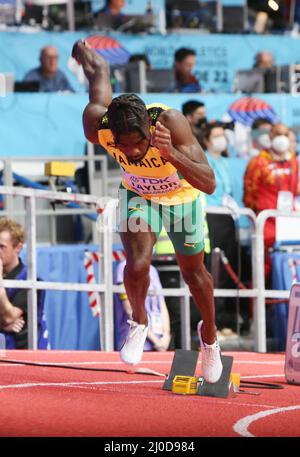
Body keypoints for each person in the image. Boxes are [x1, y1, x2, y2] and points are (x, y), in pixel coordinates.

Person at [72, 39, 223, 383]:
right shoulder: (99, 124)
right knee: (138, 264)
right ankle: (139, 321)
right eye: (122, 145)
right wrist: (89, 59)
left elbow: (209, 183)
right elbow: (99, 79)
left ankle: (210, 337)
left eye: (137, 143)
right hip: (138, 192)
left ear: (148, 130)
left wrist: (173, 156)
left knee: (193, 274)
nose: (131, 150)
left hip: (180, 195)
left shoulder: (170, 123)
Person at [244, 122, 299, 278]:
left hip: (289, 221)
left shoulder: (293, 161)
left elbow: (293, 189)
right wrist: (259, 214)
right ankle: (265, 302)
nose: (281, 138)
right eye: (277, 134)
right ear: (270, 137)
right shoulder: (258, 162)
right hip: (266, 222)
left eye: (285, 134)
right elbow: (249, 195)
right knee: (264, 269)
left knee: (291, 266)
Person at [203, 122, 240, 337]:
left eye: (222, 135)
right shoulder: (205, 159)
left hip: (227, 216)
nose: (220, 139)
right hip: (211, 215)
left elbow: (229, 189)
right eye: (215, 135)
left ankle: (227, 319)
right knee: (213, 269)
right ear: (207, 140)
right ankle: (211, 321)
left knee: (229, 268)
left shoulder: (225, 162)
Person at [0, 217, 48, 349]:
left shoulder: (30, 280)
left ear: (18, 248)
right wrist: (2, 326)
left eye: (1, 247)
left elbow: (9, 317)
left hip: (25, 354)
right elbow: (6, 322)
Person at [114, 260, 171, 351]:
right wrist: (155, 341)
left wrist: (166, 334)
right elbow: (129, 310)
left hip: (159, 342)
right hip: (135, 342)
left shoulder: (153, 270)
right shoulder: (123, 267)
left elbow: (162, 304)